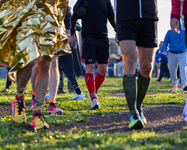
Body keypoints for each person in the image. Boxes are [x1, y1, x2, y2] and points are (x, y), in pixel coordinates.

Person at [0, 0, 70, 130]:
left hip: (49, 12)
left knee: (46, 63)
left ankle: (37, 113)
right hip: (26, 10)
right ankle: (19, 99)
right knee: (29, 61)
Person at [115, 0, 158, 129]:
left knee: (147, 66)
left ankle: (138, 106)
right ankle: (133, 113)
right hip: (125, 15)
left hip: (148, 14)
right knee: (129, 58)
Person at [69, 0, 115, 109]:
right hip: (88, 37)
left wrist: (118, 32)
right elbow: (74, 16)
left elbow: (112, 17)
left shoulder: (106, 1)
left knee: (103, 71)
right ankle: (94, 99)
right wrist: (71, 34)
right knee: (89, 68)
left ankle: (92, 92)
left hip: (103, 37)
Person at [162, 22, 186, 91]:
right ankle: (175, 83)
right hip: (172, 53)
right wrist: (164, 50)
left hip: (183, 53)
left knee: (183, 69)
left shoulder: (184, 32)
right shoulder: (169, 32)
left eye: (176, 23)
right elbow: (165, 42)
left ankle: (184, 83)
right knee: (172, 70)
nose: (175, 25)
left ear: (179, 23)